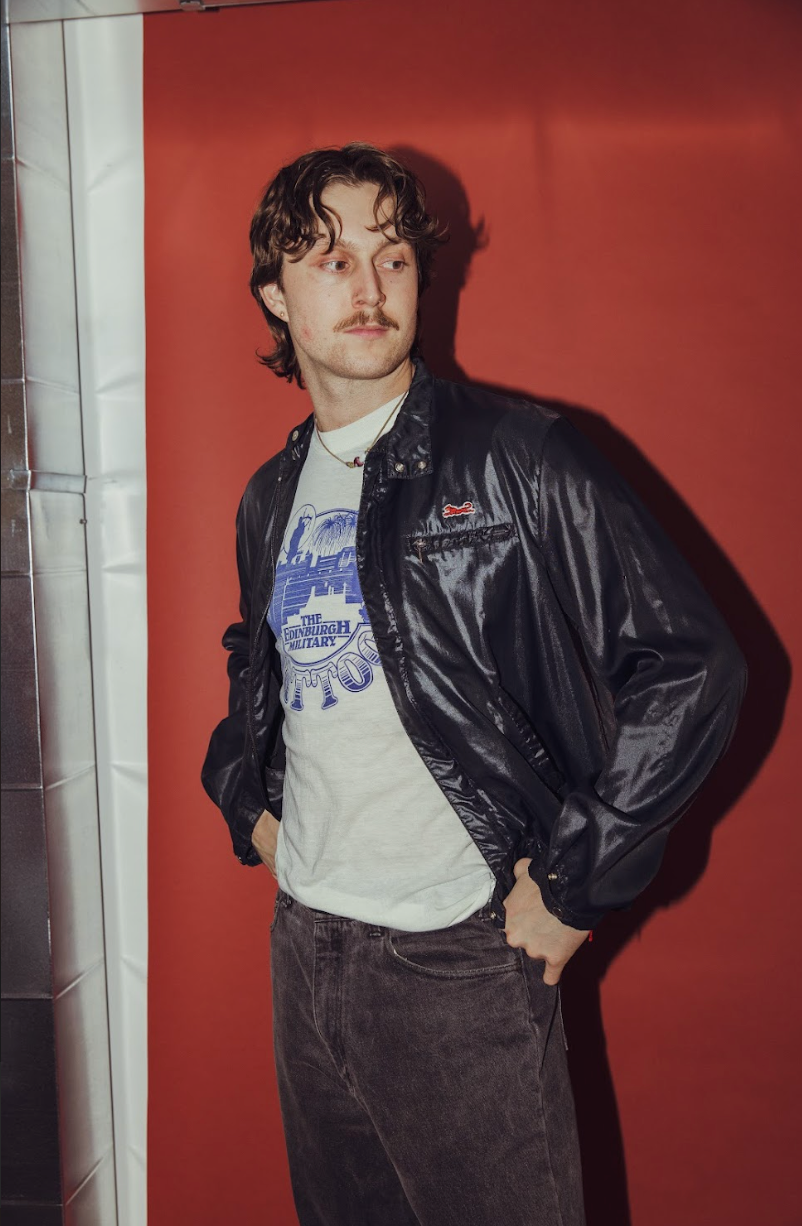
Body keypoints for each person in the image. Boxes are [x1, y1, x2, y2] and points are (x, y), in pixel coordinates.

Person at [202, 142, 746, 1226]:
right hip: (306, 943)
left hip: (454, 955)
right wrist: (242, 793)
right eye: (330, 259)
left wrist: (576, 884)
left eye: (393, 258)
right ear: (275, 294)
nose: (369, 286)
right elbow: (257, 660)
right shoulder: (271, 492)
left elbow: (692, 666)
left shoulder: (518, 457)